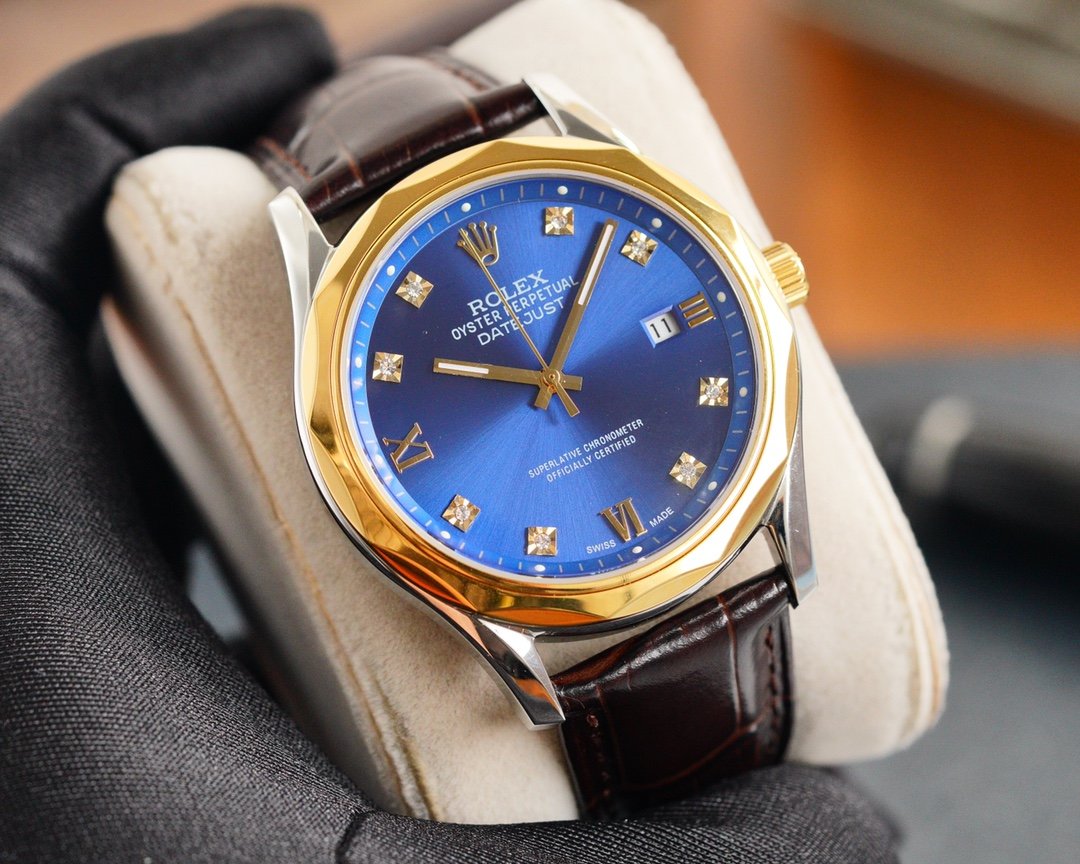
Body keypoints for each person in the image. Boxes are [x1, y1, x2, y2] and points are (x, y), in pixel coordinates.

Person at [0, 9, 897, 862]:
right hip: (535, 605)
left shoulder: (567, 148)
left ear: (764, 280)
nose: (552, 386)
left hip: (714, 520)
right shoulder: (324, 262)